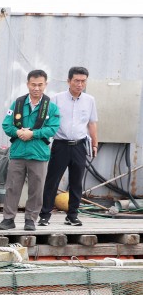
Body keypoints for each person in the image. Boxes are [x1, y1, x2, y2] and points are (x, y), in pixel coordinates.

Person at [0, 69, 60, 231]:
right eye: (33, 84)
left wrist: (33, 134)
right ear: (27, 84)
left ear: (45, 85)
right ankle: (8, 218)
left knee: (36, 189)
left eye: (40, 85)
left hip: (38, 154)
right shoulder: (17, 104)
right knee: (12, 186)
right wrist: (17, 132)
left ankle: (30, 219)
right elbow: (6, 124)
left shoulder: (51, 107)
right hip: (18, 152)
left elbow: (52, 129)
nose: (36, 88)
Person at [38, 66, 98, 227]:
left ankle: (72, 215)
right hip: (60, 145)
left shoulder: (89, 100)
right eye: (76, 80)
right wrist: (45, 142)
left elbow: (92, 123)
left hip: (79, 145)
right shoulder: (56, 99)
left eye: (83, 81)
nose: (79, 84)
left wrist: (95, 143)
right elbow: (46, 121)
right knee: (52, 180)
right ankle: (45, 214)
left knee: (77, 181)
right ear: (69, 81)